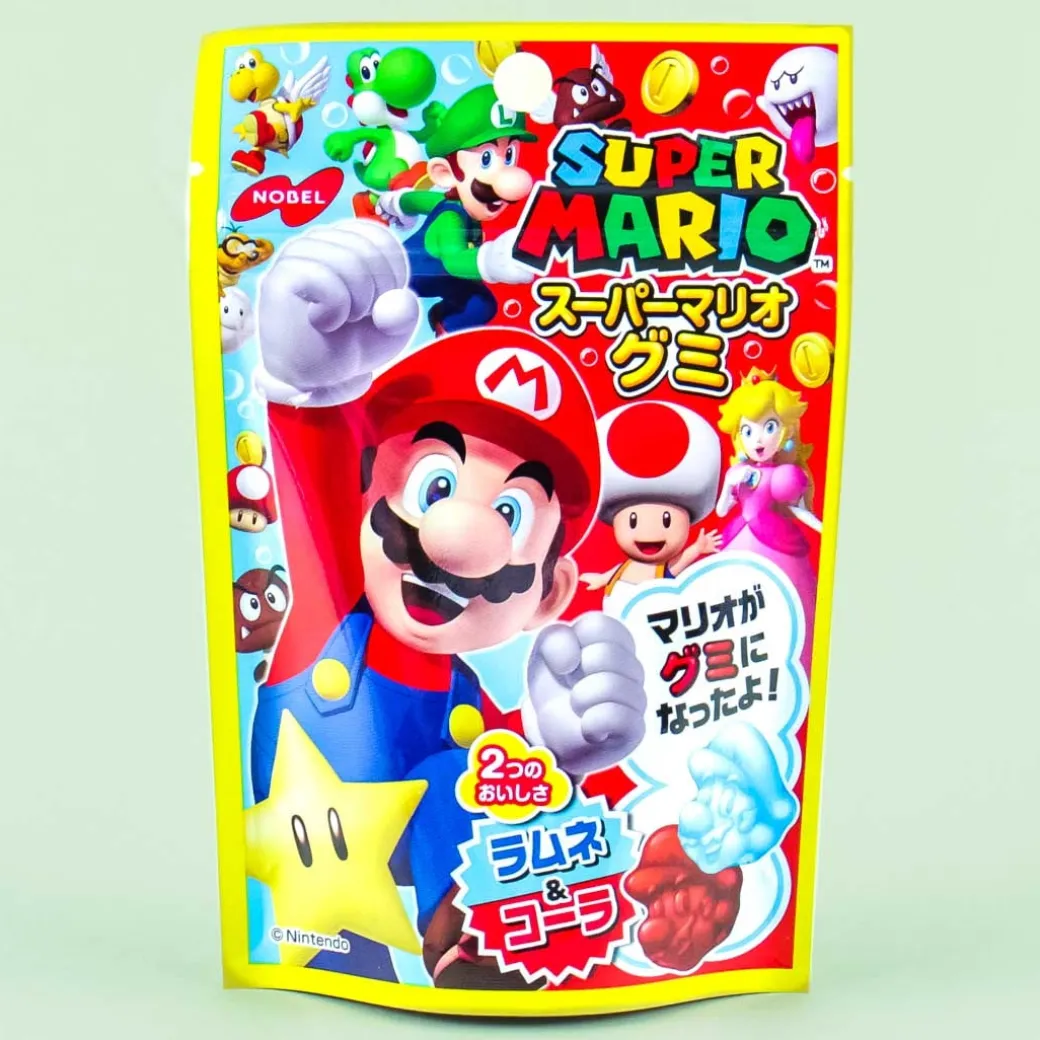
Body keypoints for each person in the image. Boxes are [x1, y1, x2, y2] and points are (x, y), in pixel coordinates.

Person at [248, 218, 648, 989]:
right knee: (337, 950)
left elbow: (503, 789)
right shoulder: (333, 614)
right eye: (437, 483)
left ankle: (473, 947)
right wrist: (310, 393)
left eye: (512, 514)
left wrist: (554, 751)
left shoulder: (466, 693)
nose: (460, 540)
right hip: (317, 849)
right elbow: (314, 493)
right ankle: (352, 960)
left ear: (550, 594)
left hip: (414, 842)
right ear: (364, 492)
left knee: (462, 776)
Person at [716, 367, 820, 675]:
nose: (758, 440)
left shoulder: (783, 476)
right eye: (748, 432)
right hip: (738, 540)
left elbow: (798, 510)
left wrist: (823, 528)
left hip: (777, 543)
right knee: (730, 608)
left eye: (769, 427)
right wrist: (731, 486)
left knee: (786, 607)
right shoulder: (737, 473)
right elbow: (721, 510)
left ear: (785, 430)